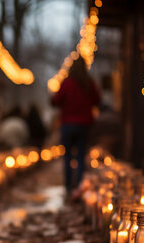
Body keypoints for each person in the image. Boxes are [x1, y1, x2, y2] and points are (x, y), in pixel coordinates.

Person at [51, 56, 101, 194]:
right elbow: (97, 100)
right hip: (84, 125)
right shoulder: (88, 83)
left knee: (68, 157)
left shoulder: (67, 83)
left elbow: (56, 100)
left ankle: (68, 187)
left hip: (68, 124)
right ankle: (78, 188)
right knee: (80, 157)